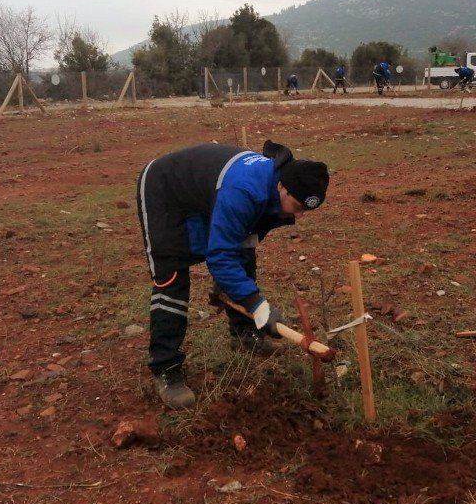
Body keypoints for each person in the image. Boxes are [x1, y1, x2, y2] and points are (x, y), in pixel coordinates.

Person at [136, 140, 330, 409]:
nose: (299, 215)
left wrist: (240, 290)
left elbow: (241, 242)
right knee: (172, 281)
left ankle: (243, 334)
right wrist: (257, 305)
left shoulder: (275, 191)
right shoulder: (245, 191)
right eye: (297, 206)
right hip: (164, 189)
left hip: (204, 193)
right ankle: (165, 368)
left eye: (305, 211)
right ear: (281, 186)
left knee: (244, 257)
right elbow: (220, 255)